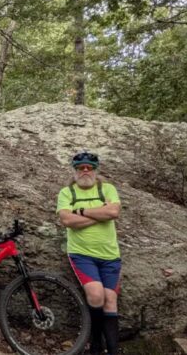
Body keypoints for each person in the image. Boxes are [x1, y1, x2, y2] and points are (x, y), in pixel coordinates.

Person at [56, 151, 122, 355]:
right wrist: (99, 215)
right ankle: (95, 343)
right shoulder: (67, 192)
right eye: (81, 167)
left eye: (89, 167)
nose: (85, 171)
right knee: (96, 295)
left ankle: (112, 350)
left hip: (110, 254)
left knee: (110, 300)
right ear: (74, 170)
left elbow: (113, 212)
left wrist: (81, 212)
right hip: (82, 254)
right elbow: (67, 221)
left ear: (95, 170)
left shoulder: (107, 188)